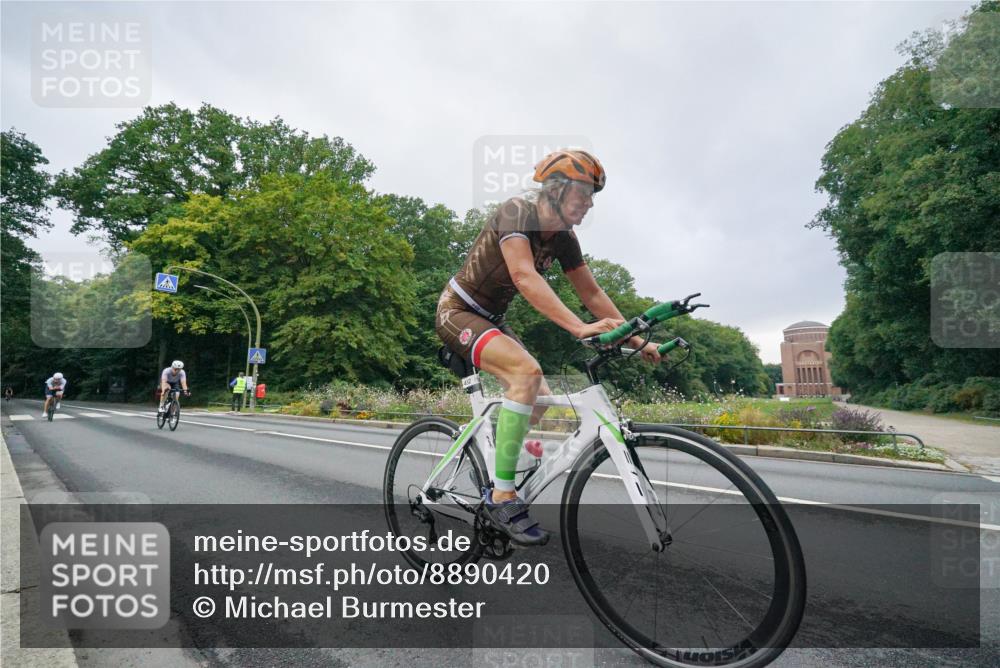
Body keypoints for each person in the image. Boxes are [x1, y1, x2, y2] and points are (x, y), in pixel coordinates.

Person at [435, 149, 665, 546]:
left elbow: (592, 292)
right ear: (556, 190)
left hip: (493, 319)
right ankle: (502, 496)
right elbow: (524, 276)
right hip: (458, 310)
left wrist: (634, 337)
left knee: (540, 400)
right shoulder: (515, 213)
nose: (590, 202)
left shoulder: (563, 238)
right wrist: (578, 328)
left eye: (593, 195)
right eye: (584, 193)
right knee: (526, 374)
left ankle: (495, 458)